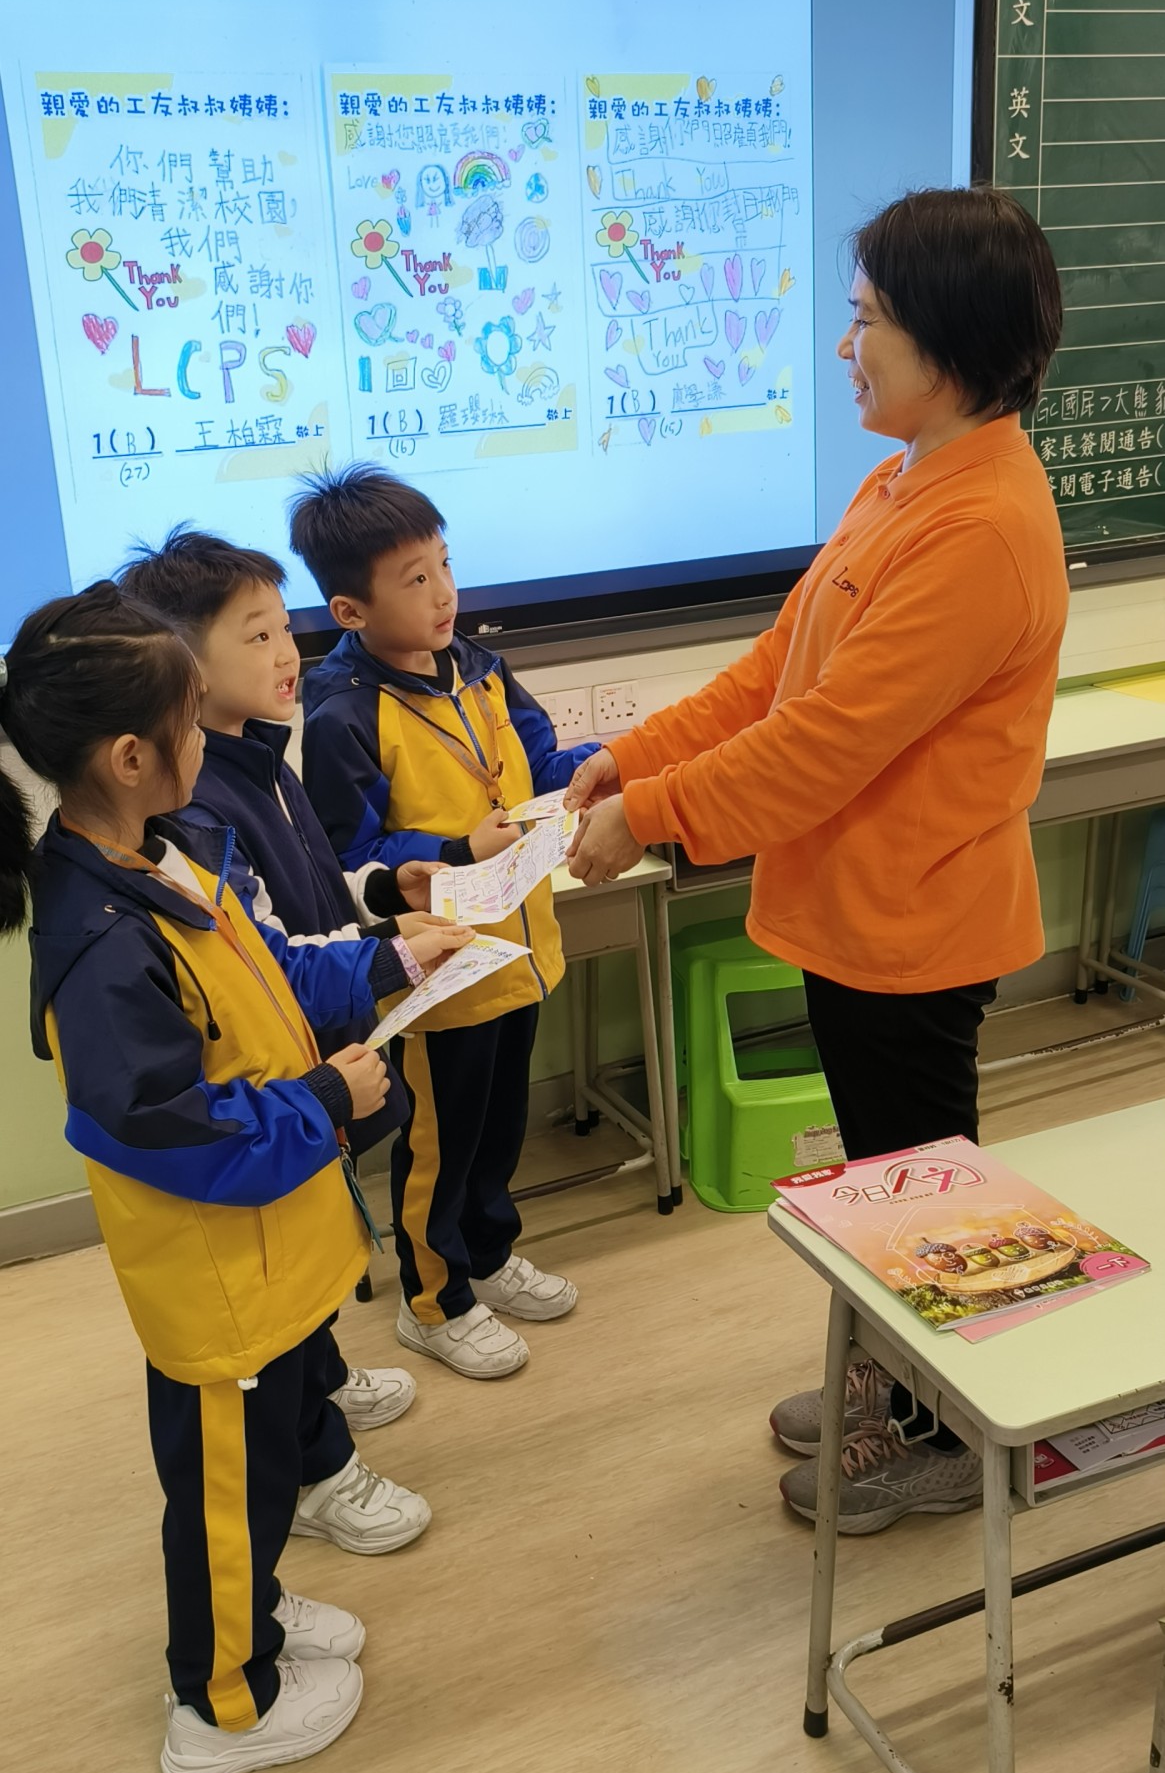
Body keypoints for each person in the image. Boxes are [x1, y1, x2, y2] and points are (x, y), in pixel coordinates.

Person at [567, 187, 1069, 1534]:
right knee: (884, 1186)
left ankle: (945, 1434)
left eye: (867, 321)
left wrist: (652, 815)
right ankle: (895, 1380)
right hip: (857, 913)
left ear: (946, 340)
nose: (845, 347)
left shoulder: (980, 527)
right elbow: (777, 671)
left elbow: (824, 746)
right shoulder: (904, 479)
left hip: (914, 927)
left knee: (927, 1194)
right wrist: (633, 760)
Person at [0, 582, 443, 1773]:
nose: (208, 735)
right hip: (218, 1279)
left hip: (269, 1249)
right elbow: (169, 1127)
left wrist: (382, 967)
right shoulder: (99, 945)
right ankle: (224, 1704)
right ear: (131, 754)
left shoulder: (166, 854)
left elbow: (268, 982)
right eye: (192, 717)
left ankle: (257, 1615)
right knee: (220, 1497)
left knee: (252, 1486)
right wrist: (326, 1100)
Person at [120, 528, 472, 1504]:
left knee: (318, 1238)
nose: (289, 653)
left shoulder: (262, 757)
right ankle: (314, 1457)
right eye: (257, 635)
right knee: (286, 1256)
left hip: (313, 1052)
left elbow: (308, 892)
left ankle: (320, 1376)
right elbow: (267, 958)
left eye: (285, 628)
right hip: (273, 1071)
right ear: (182, 668)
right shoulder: (195, 804)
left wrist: (382, 892)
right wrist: (392, 953)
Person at [290, 466, 599, 1379]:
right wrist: (456, 847)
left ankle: (488, 1255)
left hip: (519, 951)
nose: (443, 594)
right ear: (350, 610)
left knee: (499, 1130)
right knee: (439, 1144)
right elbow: (352, 858)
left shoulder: (480, 666)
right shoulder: (344, 712)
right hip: (439, 977)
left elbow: (536, 760)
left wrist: (597, 770)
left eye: (445, 566)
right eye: (415, 579)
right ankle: (433, 1300)